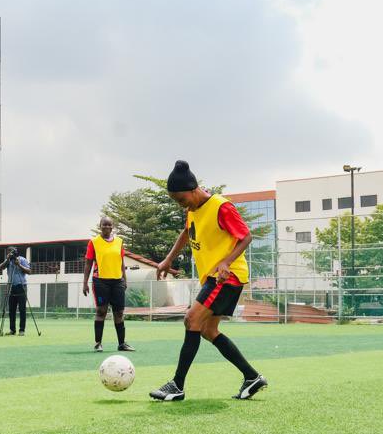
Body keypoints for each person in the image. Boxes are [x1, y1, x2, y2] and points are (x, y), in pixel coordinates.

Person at [150, 161, 268, 402]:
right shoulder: (192, 209)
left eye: (181, 199)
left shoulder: (220, 207)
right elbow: (187, 232)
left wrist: (225, 262)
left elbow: (245, 236)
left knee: (191, 319)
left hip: (227, 275)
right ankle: (251, 376)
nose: (181, 205)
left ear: (194, 189)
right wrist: (167, 259)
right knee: (207, 330)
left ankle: (177, 385)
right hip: (214, 278)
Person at [82, 216, 134, 352]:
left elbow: (122, 262)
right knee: (101, 311)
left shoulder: (119, 242)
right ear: (100, 226)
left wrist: (125, 279)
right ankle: (98, 343)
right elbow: (88, 263)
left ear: (112, 227)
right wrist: (85, 283)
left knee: (119, 312)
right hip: (100, 281)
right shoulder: (93, 242)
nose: (106, 227)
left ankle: (122, 344)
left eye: (109, 225)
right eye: (104, 225)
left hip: (117, 281)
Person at [0, 246, 31, 335]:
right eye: (8, 252)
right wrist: (7, 260)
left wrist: (19, 265)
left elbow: (29, 271)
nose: (10, 254)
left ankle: (22, 330)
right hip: (11, 286)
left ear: (16, 252)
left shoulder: (22, 259)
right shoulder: (8, 261)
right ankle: (12, 330)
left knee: (22, 309)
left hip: (21, 286)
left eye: (11, 252)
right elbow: (0, 268)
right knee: (11, 309)